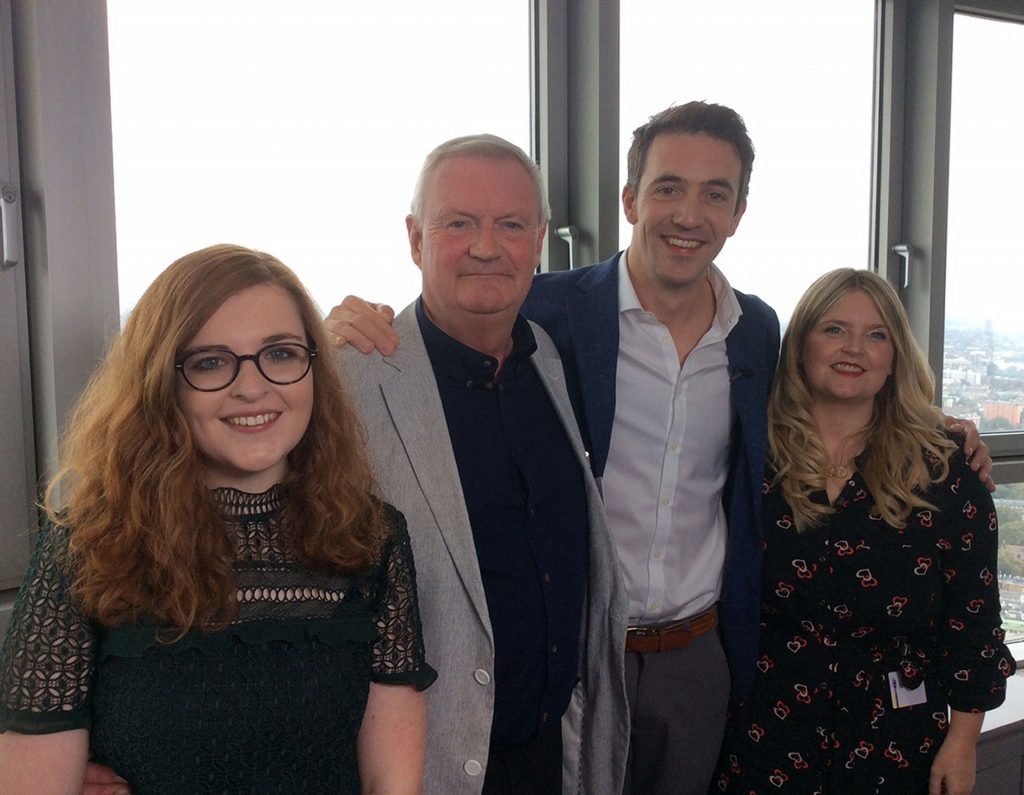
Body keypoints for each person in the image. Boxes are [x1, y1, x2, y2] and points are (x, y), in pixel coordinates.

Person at [327, 103, 993, 795]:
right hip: (578, 653)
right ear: (629, 199)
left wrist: (934, 426)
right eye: (669, 187)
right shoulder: (549, 313)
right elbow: (461, 310)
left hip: (698, 654)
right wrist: (342, 326)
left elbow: (833, 390)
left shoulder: (755, 333)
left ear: (738, 212)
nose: (688, 214)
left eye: (716, 194)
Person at [0, 244, 435, 793]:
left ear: (314, 370)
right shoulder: (86, 546)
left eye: (280, 354)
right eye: (210, 362)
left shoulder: (372, 539)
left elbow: (390, 784)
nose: (252, 387)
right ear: (162, 384)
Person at [338, 135, 629, 794]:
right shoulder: (352, 382)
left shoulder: (552, 358)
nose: (486, 246)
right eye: (459, 223)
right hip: (428, 764)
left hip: (553, 752)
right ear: (415, 240)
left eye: (511, 225)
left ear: (541, 239)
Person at [713, 268, 1013, 794]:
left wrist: (963, 742)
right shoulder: (749, 454)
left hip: (898, 742)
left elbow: (973, 620)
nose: (854, 348)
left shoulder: (945, 471)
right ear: (800, 343)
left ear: (895, 356)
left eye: (877, 335)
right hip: (761, 735)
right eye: (834, 329)